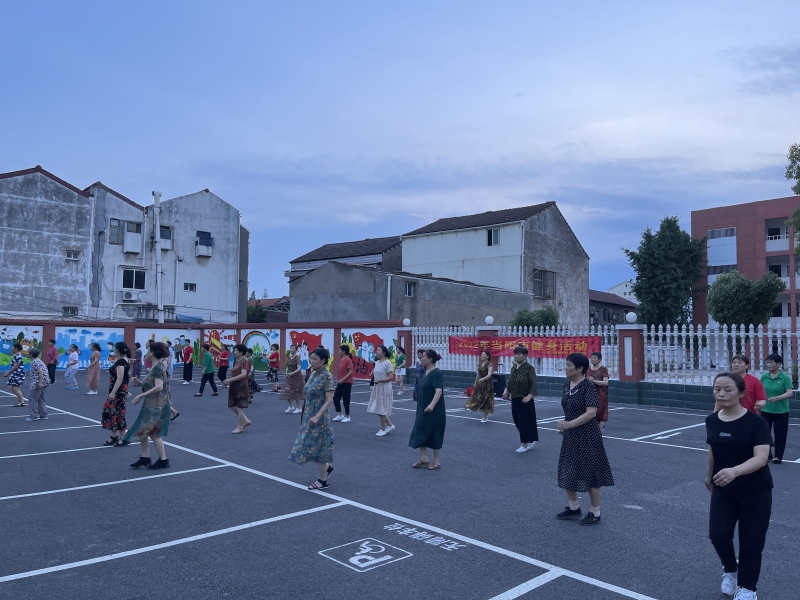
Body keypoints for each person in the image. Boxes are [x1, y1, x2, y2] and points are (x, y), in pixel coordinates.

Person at [705, 372, 773, 600]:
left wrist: (735, 471)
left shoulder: (756, 423)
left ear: (741, 393)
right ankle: (730, 570)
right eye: (717, 389)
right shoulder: (712, 420)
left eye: (728, 390)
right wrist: (708, 475)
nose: (721, 394)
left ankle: (747, 588)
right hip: (723, 488)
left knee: (751, 542)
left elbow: (761, 458)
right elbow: (712, 449)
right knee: (718, 535)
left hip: (756, 491)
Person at [555, 353, 615, 526]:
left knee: (591, 474)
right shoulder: (567, 386)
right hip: (571, 435)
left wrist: (569, 424)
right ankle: (574, 507)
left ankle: (595, 512)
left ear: (580, 368)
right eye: (566, 365)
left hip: (588, 436)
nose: (565, 368)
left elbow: (591, 413)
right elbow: (570, 409)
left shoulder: (587, 386)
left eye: (569, 365)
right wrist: (566, 427)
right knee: (568, 469)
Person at [289, 347, 335, 490]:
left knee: (319, 448)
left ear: (323, 360)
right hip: (309, 415)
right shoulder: (314, 372)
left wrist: (317, 416)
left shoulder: (326, 376)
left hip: (319, 418)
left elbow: (329, 400)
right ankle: (326, 468)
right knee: (307, 445)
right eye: (311, 358)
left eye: (315, 359)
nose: (312, 361)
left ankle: (323, 480)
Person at [127, 341, 172, 470]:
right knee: (143, 430)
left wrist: (141, 395)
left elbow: (159, 387)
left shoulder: (158, 367)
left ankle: (163, 460)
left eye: (149, 350)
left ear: (153, 352)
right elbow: (152, 385)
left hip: (158, 404)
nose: (147, 352)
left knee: (153, 433)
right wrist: (140, 383)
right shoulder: (155, 366)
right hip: (151, 403)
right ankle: (145, 457)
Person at [408, 349, 446, 469]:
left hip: (435, 410)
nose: (421, 358)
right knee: (420, 430)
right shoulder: (426, 372)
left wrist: (431, 405)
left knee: (435, 432)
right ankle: (424, 458)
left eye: (424, 356)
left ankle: (436, 461)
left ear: (430, 359)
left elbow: (438, 391)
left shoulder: (436, 373)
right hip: (422, 408)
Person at [502, 346, 539, 452]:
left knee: (525, 421)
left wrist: (529, 396)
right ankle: (530, 438)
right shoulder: (514, 367)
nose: (516, 356)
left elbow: (534, 384)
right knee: (517, 420)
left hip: (525, 399)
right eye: (515, 354)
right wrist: (506, 390)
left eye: (519, 354)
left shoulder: (529, 368)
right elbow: (510, 381)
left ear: (525, 355)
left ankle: (524, 444)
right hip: (515, 397)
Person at [759, 353, 793, 464]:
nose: (768, 365)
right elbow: (760, 391)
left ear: (778, 364)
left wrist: (777, 398)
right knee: (764, 433)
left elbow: (789, 393)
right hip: (766, 410)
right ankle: (767, 454)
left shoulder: (784, 378)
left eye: (771, 363)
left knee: (780, 435)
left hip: (781, 411)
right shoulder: (764, 377)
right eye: (767, 362)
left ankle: (778, 456)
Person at [102, 341, 131, 447]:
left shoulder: (120, 362)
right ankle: (114, 435)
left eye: (115, 348)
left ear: (117, 350)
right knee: (113, 412)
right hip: (120, 390)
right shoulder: (124, 360)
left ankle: (124, 437)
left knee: (117, 412)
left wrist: (113, 393)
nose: (114, 350)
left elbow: (120, 378)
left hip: (118, 391)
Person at [367, 345, 395, 436]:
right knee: (377, 408)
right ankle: (390, 425)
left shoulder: (388, 363)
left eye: (379, 350)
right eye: (377, 350)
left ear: (384, 352)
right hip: (377, 388)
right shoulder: (377, 362)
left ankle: (382, 429)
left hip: (385, 388)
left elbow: (390, 377)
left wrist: (380, 380)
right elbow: (376, 372)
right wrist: (372, 374)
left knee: (381, 409)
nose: (377, 351)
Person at [223, 344, 252, 434]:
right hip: (234, 386)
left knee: (239, 407)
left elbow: (243, 374)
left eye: (235, 350)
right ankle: (246, 421)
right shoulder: (237, 361)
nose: (234, 352)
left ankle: (240, 427)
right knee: (232, 406)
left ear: (241, 352)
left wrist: (230, 380)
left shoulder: (244, 361)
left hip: (241, 386)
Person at [464, 350, 494, 422]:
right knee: (477, 398)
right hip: (480, 384)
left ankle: (485, 417)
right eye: (481, 354)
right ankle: (476, 408)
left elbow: (489, 374)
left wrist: (483, 379)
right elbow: (478, 374)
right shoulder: (480, 364)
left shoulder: (489, 364)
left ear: (487, 356)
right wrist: (475, 382)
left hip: (487, 385)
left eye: (484, 355)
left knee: (486, 400)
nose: (482, 356)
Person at [586, 351, 610, 431]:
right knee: (589, 412)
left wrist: (594, 381)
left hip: (600, 395)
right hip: (589, 394)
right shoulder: (588, 369)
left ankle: (599, 432)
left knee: (600, 414)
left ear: (599, 359)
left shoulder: (603, 369)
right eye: (591, 357)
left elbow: (606, 382)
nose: (592, 359)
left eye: (594, 358)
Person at [332, 345, 354, 422]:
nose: (339, 351)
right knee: (335, 398)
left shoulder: (348, 360)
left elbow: (351, 371)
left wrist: (343, 379)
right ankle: (340, 414)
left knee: (346, 400)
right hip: (340, 382)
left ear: (344, 351)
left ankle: (347, 416)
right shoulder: (342, 359)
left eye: (340, 350)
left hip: (347, 383)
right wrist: (339, 379)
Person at [26, 348, 49, 422]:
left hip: (38, 382)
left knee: (32, 398)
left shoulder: (35, 362)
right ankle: (43, 414)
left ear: (31, 354)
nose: (27, 353)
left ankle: (34, 416)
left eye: (28, 352)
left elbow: (40, 371)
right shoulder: (38, 360)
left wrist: (40, 382)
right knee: (40, 397)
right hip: (44, 381)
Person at [281, 344, 304, 414]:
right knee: (287, 391)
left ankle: (299, 408)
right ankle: (291, 406)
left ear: (296, 350)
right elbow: (290, 368)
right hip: (290, 377)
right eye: (290, 348)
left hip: (297, 377)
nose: (291, 349)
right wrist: (288, 374)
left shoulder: (297, 357)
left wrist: (292, 373)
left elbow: (299, 368)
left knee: (296, 392)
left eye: (293, 348)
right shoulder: (290, 357)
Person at [5, 342, 26, 406]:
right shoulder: (16, 356)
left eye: (13, 347)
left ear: (16, 348)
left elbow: (15, 366)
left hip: (18, 374)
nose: (12, 349)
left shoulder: (18, 356)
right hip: (15, 373)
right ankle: (20, 400)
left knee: (15, 388)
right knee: (12, 387)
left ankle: (21, 401)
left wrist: (8, 373)